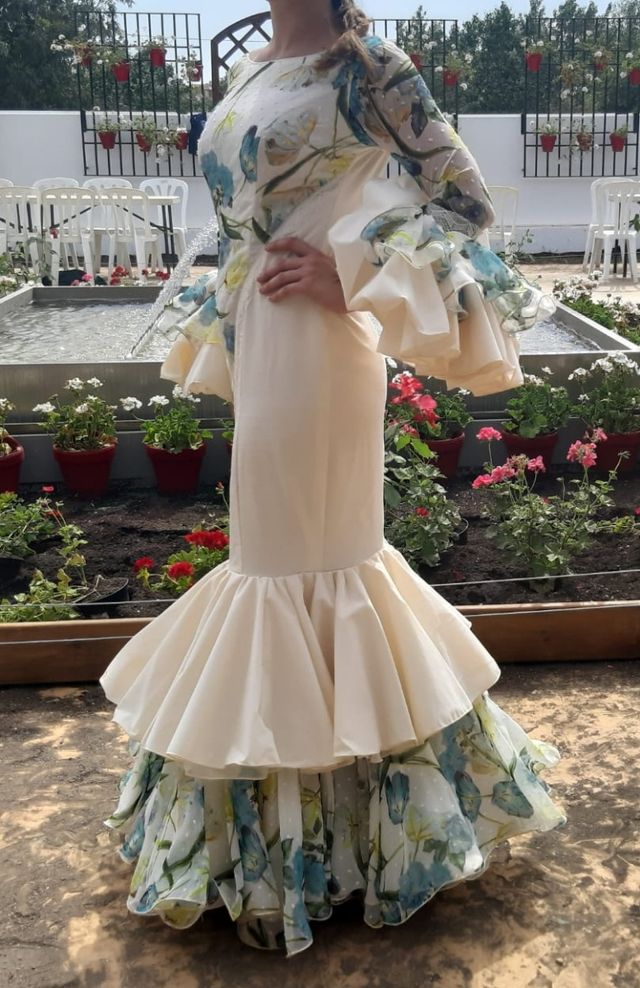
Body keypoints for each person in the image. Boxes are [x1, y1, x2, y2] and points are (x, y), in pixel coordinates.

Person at [100, 0, 564, 956]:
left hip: (323, 342)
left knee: (306, 562)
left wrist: (348, 272)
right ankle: (307, 833)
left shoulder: (370, 65)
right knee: (275, 559)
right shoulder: (254, 67)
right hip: (265, 340)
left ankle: (331, 843)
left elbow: (466, 203)